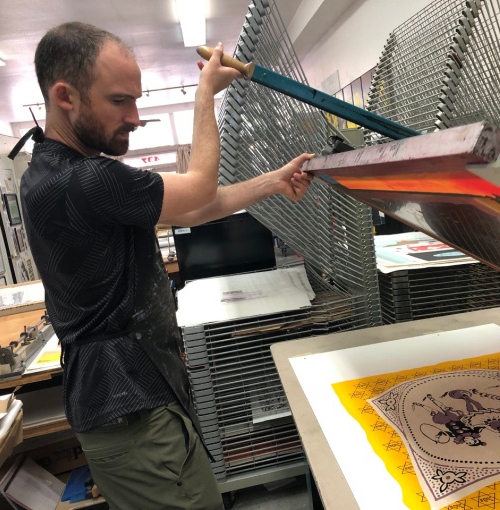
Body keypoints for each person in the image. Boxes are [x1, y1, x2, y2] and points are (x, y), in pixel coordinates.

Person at [20, 22, 314, 510]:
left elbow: (194, 208)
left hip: (131, 399)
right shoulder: (86, 180)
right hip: (131, 410)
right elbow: (199, 186)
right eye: (119, 101)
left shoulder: (52, 173)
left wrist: (274, 182)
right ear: (65, 96)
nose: (135, 118)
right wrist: (205, 96)